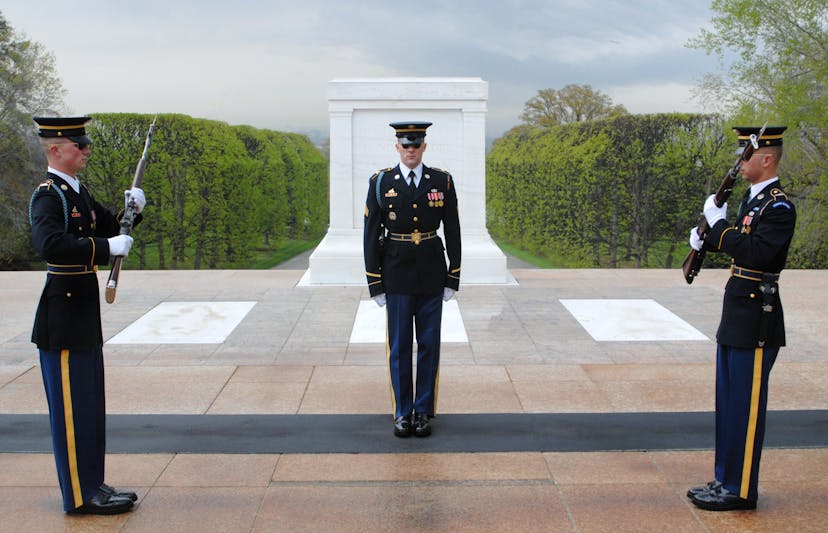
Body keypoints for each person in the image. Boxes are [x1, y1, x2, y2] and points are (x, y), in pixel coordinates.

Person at [29, 116, 146, 515]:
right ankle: (79, 496)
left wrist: (133, 211)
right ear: (55, 148)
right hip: (61, 318)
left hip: (81, 313)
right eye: (78, 144)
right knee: (71, 413)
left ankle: (93, 484)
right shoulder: (49, 196)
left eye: (85, 143)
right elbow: (51, 246)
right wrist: (105, 246)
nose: (85, 150)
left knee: (89, 407)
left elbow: (114, 228)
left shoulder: (76, 192)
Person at [687, 125, 795, 511]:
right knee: (729, 404)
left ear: (767, 159)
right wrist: (707, 238)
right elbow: (740, 245)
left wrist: (718, 228)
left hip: (757, 320)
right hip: (737, 316)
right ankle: (724, 480)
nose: (740, 162)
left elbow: (756, 253)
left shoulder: (778, 206)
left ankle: (741, 489)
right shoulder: (753, 201)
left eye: (746, 156)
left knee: (746, 411)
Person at [363, 121, 461, 438]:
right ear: (397, 148)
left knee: (429, 345)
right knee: (400, 347)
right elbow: (370, 235)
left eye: (416, 145)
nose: (411, 150)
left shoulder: (442, 182)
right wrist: (374, 282)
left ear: (424, 147)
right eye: (405, 145)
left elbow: (454, 230)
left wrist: (453, 275)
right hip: (397, 275)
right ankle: (403, 412)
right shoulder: (381, 183)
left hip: (432, 272)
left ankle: (423, 411)